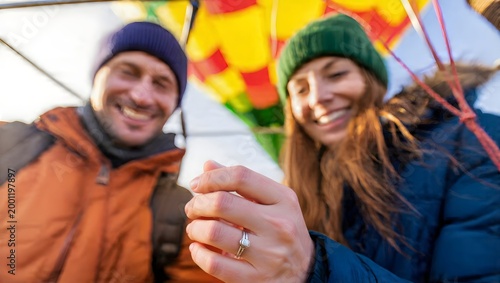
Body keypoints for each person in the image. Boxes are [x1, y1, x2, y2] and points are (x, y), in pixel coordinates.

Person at [183, 14, 500, 282]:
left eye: (336, 74)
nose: (318, 97)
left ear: (371, 81)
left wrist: (311, 267)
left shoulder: (467, 142)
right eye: (301, 89)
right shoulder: (302, 192)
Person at [0, 22, 219, 282]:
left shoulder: (182, 215)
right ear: (96, 78)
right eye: (128, 73)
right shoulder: (11, 144)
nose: (141, 96)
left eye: (161, 84)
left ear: (174, 105)